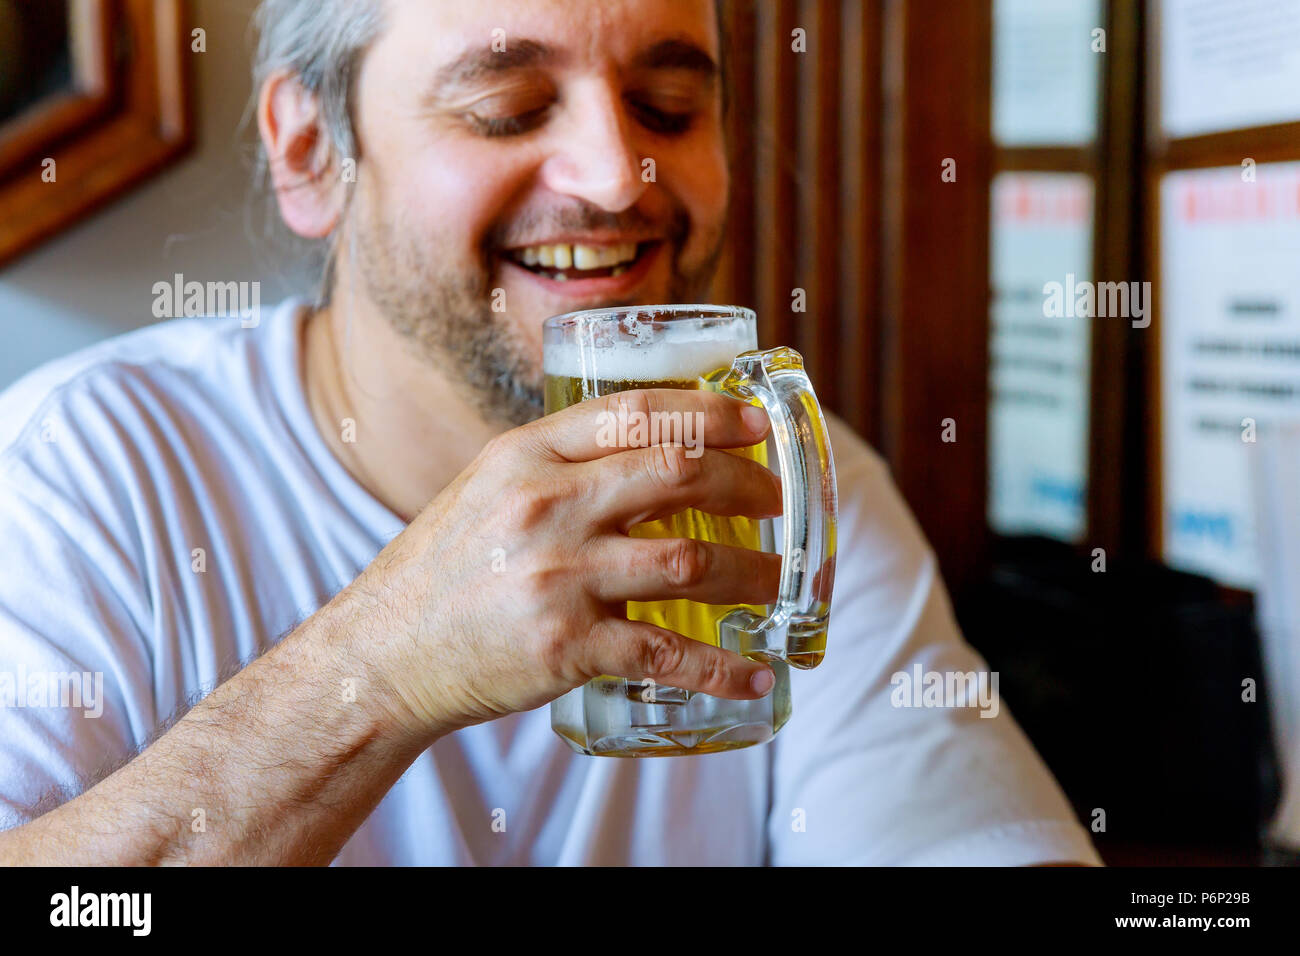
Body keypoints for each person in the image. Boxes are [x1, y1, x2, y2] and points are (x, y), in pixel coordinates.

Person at [0, 0, 1100, 865]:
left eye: (669, 106)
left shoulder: (797, 490)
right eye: (509, 108)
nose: (622, 175)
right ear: (307, 153)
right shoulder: (79, 470)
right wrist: (383, 667)